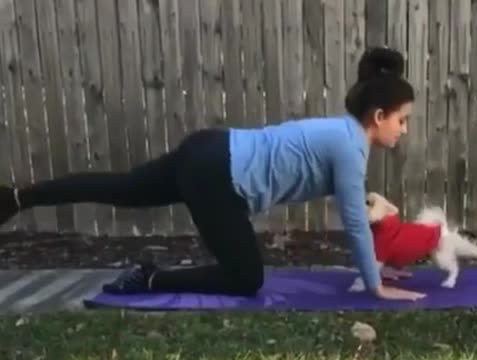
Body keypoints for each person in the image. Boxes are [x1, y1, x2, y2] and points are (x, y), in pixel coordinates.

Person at [0, 46, 425, 301]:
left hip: (210, 149)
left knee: (122, 187)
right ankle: (149, 277)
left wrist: (376, 264)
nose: (403, 130)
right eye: (402, 120)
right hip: (218, 176)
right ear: (379, 115)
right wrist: (375, 286)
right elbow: (353, 220)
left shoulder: (342, 133)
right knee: (246, 279)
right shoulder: (350, 148)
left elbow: (356, 215)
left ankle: (18, 197)